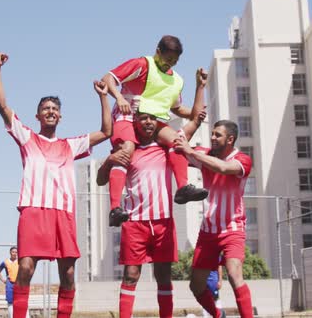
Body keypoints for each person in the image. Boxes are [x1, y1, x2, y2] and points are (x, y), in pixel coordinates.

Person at [0, 52, 112, 318]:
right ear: (37, 115)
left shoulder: (69, 145)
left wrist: (103, 96)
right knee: (25, 269)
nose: (51, 111)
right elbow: (2, 106)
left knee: (68, 275)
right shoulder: (27, 138)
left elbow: (106, 131)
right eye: (46, 108)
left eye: (55, 109)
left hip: (63, 213)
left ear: (60, 117)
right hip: (33, 210)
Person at [97, 68, 207, 318]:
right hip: (135, 222)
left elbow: (195, 119)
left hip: (163, 221)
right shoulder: (126, 151)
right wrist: (108, 160)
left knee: (163, 276)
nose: (147, 122)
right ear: (135, 121)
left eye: (152, 119)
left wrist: (200, 86)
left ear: (157, 122)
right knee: (131, 275)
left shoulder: (165, 147)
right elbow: (101, 179)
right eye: (143, 117)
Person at [102, 35, 208, 227]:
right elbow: (108, 78)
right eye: (167, 60)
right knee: (126, 150)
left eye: (174, 62)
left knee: (178, 141)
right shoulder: (141, 65)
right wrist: (118, 97)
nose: (170, 64)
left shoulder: (175, 80)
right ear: (157, 52)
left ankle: (183, 187)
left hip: (151, 118)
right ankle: (115, 208)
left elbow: (179, 110)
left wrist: (200, 87)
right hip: (128, 115)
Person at [174, 120, 254, 318]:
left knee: (235, 274)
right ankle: (218, 316)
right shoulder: (205, 155)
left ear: (230, 139)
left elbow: (225, 168)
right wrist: (194, 117)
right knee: (196, 285)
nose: (212, 137)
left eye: (217, 135)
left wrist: (191, 152)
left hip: (232, 228)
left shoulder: (243, 159)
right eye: (212, 133)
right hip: (208, 231)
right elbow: (178, 144)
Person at [0, 247, 20, 317]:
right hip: (10, 284)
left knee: (19, 302)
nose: (15, 253)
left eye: (16, 252)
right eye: (13, 252)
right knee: (10, 302)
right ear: (10, 253)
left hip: (19, 284)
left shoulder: (20, 261)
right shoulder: (5, 262)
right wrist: (3, 280)